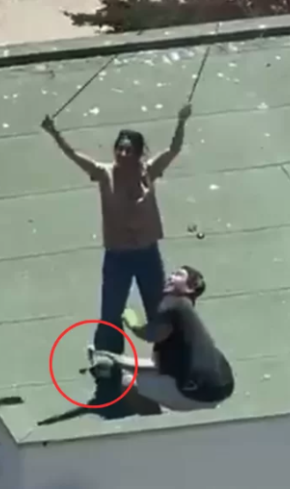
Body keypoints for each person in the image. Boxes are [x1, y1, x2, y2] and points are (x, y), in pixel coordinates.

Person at [40, 103, 193, 354]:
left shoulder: (149, 172)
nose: (122, 154)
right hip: (117, 255)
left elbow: (173, 149)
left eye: (128, 150)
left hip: (147, 253)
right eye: (119, 148)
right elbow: (74, 155)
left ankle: (169, 354)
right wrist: (55, 133)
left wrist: (181, 121)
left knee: (158, 309)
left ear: (138, 153)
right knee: (110, 311)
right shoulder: (104, 174)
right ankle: (107, 356)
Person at [88, 265, 235, 411]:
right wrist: (114, 359)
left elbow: (151, 334)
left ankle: (150, 416)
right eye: (172, 274)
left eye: (178, 275)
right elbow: (156, 366)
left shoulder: (174, 304)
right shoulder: (186, 326)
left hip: (199, 393)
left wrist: (135, 325)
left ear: (190, 288)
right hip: (222, 387)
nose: (171, 277)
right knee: (147, 373)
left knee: (127, 382)